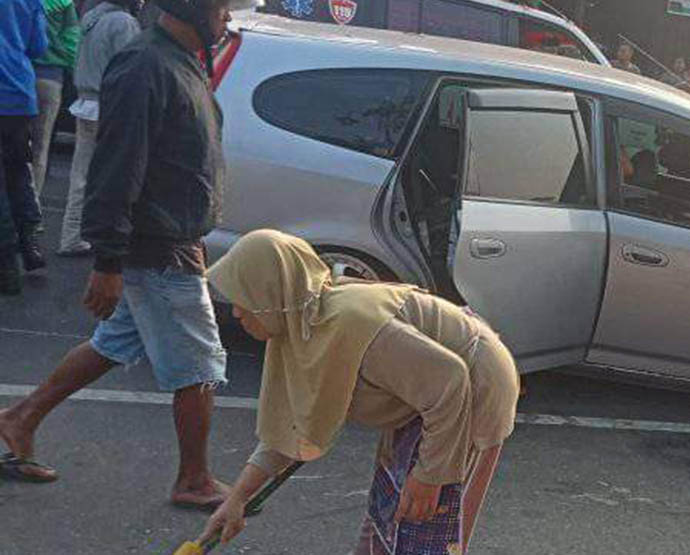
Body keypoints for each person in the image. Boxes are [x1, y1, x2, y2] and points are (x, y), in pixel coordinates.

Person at [0, 0, 264, 504]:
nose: (225, 16)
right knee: (198, 364)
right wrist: (108, 261)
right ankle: (193, 479)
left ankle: (19, 418)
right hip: (156, 247)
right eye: (219, 2)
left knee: (113, 344)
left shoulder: (180, 62)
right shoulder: (145, 65)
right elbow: (117, 169)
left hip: (171, 240)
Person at [198, 230, 519, 553]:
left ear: (270, 295)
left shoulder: (352, 324)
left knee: (424, 526)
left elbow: (451, 380)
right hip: (421, 397)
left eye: (243, 298)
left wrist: (432, 476)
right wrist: (238, 499)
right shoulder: (300, 327)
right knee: (388, 512)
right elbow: (290, 429)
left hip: (473, 392)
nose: (236, 312)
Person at [57, 0, 145, 257]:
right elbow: (130, 68)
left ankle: (71, 234)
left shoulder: (93, 15)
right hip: (107, 106)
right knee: (110, 176)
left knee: (81, 174)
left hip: (85, 103)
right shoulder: (123, 23)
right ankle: (101, 236)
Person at [2, 0, 80, 197]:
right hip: (46, 80)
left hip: (5, 80)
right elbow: (72, 44)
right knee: (37, 150)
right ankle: (29, 212)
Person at [0, 0, 49, 295]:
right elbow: (38, 46)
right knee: (18, 170)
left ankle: (6, 262)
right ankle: (30, 242)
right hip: (18, 97)